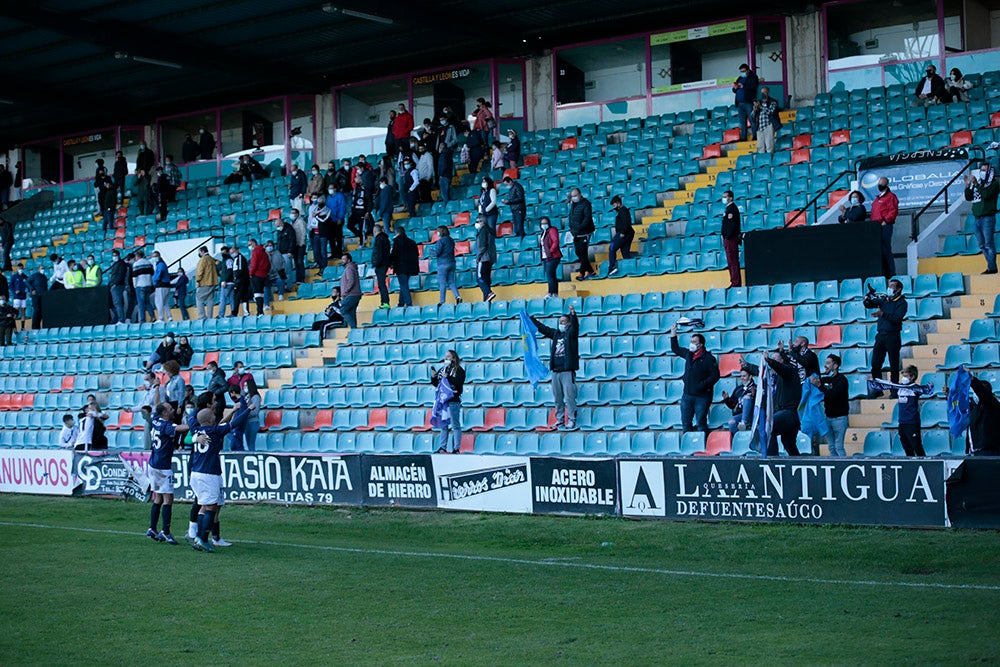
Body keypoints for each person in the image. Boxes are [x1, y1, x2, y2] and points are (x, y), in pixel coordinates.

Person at [186, 396, 249, 552]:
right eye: (213, 415)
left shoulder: (196, 428)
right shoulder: (214, 431)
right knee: (211, 507)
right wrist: (248, 410)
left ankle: (199, 538)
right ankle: (203, 538)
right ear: (209, 419)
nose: (215, 416)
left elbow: (191, 418)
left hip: (196, 473)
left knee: (203, 506)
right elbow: (235, 424)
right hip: (209, 474)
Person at [146, 402, 191, 545]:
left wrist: (157, 388)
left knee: (158, 497)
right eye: (170, 409)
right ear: (164, 413)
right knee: (168, 499)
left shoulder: (155, 419)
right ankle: (165, 532)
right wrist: (198, 425)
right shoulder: (166, 426)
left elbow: (156, 404)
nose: (173, 411)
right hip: (163, 467)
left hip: (153, 464)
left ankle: (152, 528)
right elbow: (179, 428)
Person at [530, 305, 580, 430]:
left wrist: (573, 314)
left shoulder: (571, 334)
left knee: (569, 397)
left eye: (563, 321)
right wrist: (531, 319)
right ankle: (560, 419)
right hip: (555, 371)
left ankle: (572, 419)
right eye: (559, 322)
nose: (561, 324)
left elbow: (575, 327)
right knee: (558, 398)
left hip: (567, 371)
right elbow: (543, 329)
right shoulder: (556, 334)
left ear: (568, 323)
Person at [670, 322, 721, 436]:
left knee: (701, 423)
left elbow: (715, 376)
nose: (691, 344)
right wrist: (673, 332)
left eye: (694, 342)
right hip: (687, 395)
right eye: (691, 341)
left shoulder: (708, 358)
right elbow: (675, 349)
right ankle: (689, 448)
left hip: (702, 397)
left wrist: (702, 385)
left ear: (700, 345)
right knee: (686, 423)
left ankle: (702, 446)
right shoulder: (689, 354)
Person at [868, 278, 907, 397]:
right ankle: (878, 388)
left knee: (893, 364)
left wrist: (883, 314)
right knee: (875, 363)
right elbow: (869, 304)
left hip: (893, 335)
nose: (889, 288)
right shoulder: (884, 300)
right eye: (889, 286)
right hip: (881, 335)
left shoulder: (902, 302)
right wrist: (868, 295)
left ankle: (894, 389)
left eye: (892, 286)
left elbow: (897, 318)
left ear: (899, 289)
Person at [764, 350, 803, 456]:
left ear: (782, 361)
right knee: (788, 443)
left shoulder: (790, 371)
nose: (772, 361)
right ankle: (797, 462)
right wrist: (747, 365)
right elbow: (761, 371)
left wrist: (770, 361)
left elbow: (781, 368)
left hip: (789, 413)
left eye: (775, 359)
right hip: (786, 414)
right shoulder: (778, 377)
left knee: (768, 427)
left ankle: (772, 460)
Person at [964, 161, 998, 275]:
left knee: (989, 244)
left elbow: (986, 195)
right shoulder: (978, 183)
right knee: (982, 245)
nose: (982, 172)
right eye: (981, 170)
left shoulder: (994, 184)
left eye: (984, 170)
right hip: (977, 219)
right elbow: (969, 198)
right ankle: (991, 266)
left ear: (989, 172)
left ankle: (992, 268)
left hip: (988, 218)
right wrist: (968, 186)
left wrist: (976, 185)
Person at [811, 354, 848, 457]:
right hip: (828, 418)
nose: (825, 366)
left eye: (828, 363)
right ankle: (835, 470)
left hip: (840, 418)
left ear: (835, 366)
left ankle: (843, 466)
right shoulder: (826, 379)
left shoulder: (842, 380)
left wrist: (819, 386)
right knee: (831, 447)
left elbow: (833, 394)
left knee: (839, 447)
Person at [430, 350, 466, 454]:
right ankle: (442, 447)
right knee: (443, 424)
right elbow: (438, 384)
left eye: (449, 357)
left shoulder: (459, 370)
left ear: (454, 358)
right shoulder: (443, 369)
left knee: (455, 424)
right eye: (445, 357)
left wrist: (448, 377)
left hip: (453, 400)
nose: (447, 359)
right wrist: (433, 377)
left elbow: (459, 384)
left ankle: (456, 448)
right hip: (443, 400)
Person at [870, 176, 899, 278]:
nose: (880, 186)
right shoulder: (877, 199)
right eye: (879, 183)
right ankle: (883, 271)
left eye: (882, 184)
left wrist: (886, 221)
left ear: (886, 185)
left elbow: (893, 211)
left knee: (886, 249)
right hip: (876, 227)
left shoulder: (891, 196)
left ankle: (890, 272)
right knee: (879, 250)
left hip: (885, 226)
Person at [896, 365, 926, 457]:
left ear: (912, 377)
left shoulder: (915, 388)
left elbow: (924, 390)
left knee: (916, 446)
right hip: (902, 422)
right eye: (903, 376)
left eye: (906, 376)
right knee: (906, 447)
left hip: (912, 422)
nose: (904, 378)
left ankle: (925, 463)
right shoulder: (900, 387)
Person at [567, 188, 596, 280]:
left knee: (583, 252)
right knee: (577, 251)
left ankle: (582, 273)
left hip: (584, 232)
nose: (574, 198)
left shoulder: (586, 203)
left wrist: (579, 228)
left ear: (579, 194)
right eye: (573, 196)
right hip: (576, 233)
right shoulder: (574, 205)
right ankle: (590, 271)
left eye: (575, 196)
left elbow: (587, 218)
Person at [968, 374, 1000, 455]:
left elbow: (982, 392)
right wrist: (949, 395)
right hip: (975, 450)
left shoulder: (992, 403)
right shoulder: (974, 406)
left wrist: (973, 381)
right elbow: (960, 407)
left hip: (989, 451)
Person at [390, 225, 419, 308]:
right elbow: (416, 254)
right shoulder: (412, 242)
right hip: (411, 267)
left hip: (401, 267)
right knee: (404, 284)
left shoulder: (397, 241)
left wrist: (391, 263)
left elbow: (394, 254)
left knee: (403, 285)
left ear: (397, 233)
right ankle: (400, 303)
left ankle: (409, 303)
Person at [606, 195, 634, 277]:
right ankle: (630, 268)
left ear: (618, 203)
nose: (614, 207)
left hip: (624, 234)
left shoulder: (623, 211)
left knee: (612, 248)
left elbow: (627, 223)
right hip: (627, 233)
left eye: (614, 205)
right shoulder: (621, 211)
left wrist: (623, 233)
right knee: (625, 252)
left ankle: (612, 267)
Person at [722, 369, 756, 435]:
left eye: (744, 376)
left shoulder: (755, 388)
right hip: (740, 414)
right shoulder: (739, 389)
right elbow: (732, 405)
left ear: (750, 376)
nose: (742, 378)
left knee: (747, 397)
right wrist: (726, 399)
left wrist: (754, 395)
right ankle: (737, 439)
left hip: (752, 414)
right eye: (741, 376)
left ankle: (744, 422)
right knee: (731, 422)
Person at [434, 226, 461, 306]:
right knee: (451, 282)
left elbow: (437, 253)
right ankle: (457, 296)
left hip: (443, 264)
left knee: (442, 283)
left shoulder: (441, 241)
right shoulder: (451, 240)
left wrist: (431, 252)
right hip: (452, 263)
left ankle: (442, 301)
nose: (437, 233)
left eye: (438, 231)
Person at [732, 63, 759, 141]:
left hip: (749, 102)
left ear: (748, 70)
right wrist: (735, 88)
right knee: (742, 122)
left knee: (752, 120)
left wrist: (744, 86)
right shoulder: (740, 78)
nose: (742, 73)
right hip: (740, 103)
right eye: (741, 71)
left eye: (743, 71)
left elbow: (754, 87)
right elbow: (734, 90)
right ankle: (743, 137)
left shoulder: (753, 77)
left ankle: (755, 136)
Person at [721, 189, 742, 288]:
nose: (724, 198)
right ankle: (733, 281)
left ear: (731, 198)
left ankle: (736, 282)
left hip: (731, 238)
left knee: (733, 260)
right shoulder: (728, 209)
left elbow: (732, 225)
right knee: (730, 261)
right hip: (727, 238)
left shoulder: (732, 208)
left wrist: (728, 235)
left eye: (725, 197)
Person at [475, 215, 498, 303]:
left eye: (478, 221)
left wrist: (478, 257)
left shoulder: (483, 231)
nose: (476, 224)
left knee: (479, 277)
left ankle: (488, 293)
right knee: (486, 279)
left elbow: (482, 246)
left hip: (483, 258)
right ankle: (486, 300)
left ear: (482, 222)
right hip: (490, 258)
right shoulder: (490, 231)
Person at [751, 86, 780, 153]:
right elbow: (752, 116)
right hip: (759, 127)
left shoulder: (773, 102)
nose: (763, 94)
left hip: (768, 125)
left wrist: (761, 107)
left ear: (768, 93)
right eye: (762, 92)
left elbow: (771, 112)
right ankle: (762, 161)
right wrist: (755, 109)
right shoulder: (759, 102)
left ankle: (770, 160)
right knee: (760, 147)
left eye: (765, 92)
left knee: (769, 146)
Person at [539, 216, 562, 299]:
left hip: (553, 256)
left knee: (550, 275)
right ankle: (553, 293)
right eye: (542, 223)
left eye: (545, 223)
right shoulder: (544, 232)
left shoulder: (552, 230)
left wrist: (550, 251)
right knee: (551, 275)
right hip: (546, 257)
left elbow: (555, 241)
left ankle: (552, 293)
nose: (544, 225)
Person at [370, 223, 391, 309]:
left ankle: (385, 302)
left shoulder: (379, 240)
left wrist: (376, 264)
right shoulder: (386, 239)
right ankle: (385, 302)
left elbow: (378, 253)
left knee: (381, 284)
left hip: (381, 265)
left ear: (375, 231)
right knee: (382, 284)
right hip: (385, 263)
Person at [248, 238, 270, 316]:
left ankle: (260, 312)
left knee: (257, 294)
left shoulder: (255, 252)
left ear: (254, 243)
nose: (249, 246)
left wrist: (250, 273)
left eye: (250, 244)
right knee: (262, 293)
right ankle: (262, 310)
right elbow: (268, 264)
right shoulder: (264, 252)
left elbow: (253, 264)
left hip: (256, 275)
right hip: (264, 275)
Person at [339, 253, 362, 329]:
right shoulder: (352, 267)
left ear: (348, 260)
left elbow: (351, 280)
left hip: (351, 294)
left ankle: (354, 328)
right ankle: (354, 331)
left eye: (344, 259)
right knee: (352, 313)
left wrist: (345, 291)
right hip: (355, 294)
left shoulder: (349, 268)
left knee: (343, 310)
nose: (342, 261)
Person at [194, 246, 217, 320]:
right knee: (210, 300)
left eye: (199, 252)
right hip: (213, 282)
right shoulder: (211, 259)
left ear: (202, 251)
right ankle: (210, 317)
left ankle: (202, 317)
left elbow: (200, 271)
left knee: (199, 299)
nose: (199, 254)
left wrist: (197, 280)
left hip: (204, 282)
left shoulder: (203, 260)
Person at [264, 240, 286, 309]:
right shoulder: (264, 254)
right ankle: (267, 304)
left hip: (277, 273)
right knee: (265, 287)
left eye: (271, 245)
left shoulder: (277, 253)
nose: (269, 247)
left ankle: (281, 294)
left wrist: (281, 269)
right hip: (268, 275)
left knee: (280, 280)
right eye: (268, 246)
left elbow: (282, 262)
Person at [151, 251, 173, 322]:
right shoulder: (162, 264)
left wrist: (155, 281)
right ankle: (169, 317)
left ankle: (161, 318)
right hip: (166, 285)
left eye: (155, 256)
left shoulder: (160, 264)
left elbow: (159, 274)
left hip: (161, 285)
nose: (154, 258)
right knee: (165, 302)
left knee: (159, 302)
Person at [231, 245, 251, 317]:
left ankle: (234, 313)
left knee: (237, 297)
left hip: (241, 281)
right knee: (244, 297)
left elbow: (240, 270)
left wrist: (236, 278)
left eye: (233, 252)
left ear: (237, 250)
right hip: (241, 280)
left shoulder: (240, 258)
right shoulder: (235, 259)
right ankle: (246, 312)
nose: (232, 253)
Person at [290, 208, 308, 284]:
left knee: (300, 261)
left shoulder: (300, 222)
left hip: (300, 244)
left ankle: (302, 278)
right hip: (295, 245)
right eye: (291, 213)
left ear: (297, 214)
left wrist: (302, 243)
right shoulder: (292, 222)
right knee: (296, 262)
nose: (292, 214)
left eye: (293, 213)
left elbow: (303, 233)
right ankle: (298, 279)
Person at [27, 264, 46, 330]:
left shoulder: (44, 276)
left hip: (43, 296)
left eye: (43, 268)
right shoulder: (34, 275)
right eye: (41, 268)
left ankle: (39, 326)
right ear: (38, 269)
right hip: (36, 296)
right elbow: (27, 281)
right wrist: (32, 289)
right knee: (36, 311)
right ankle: (35, 327)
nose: (43, 269)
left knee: (41, 312)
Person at [10, 263, 27, 328]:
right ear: (17, 268)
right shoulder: (14, 277)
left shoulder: (25, 277)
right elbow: (11, 286)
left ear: (23, 268)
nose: (20, 269)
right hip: (16, 297)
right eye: (19, 268)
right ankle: (14, 328)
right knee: (15, 312)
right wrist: (14, 291)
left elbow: (28, 286)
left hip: (23, 297)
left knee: (23, 312)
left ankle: (23, 327)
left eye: (21, 268)